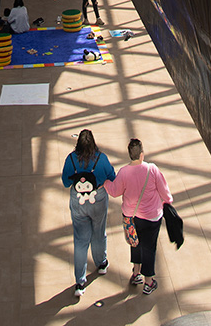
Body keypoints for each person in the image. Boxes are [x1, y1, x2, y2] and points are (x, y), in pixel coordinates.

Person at [105, 138, 173, 294]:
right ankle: (148, 282)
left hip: (131, 217)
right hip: (152, 217)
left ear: (130, 154)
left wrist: (106, 183)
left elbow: (115, 191)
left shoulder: (123, 172)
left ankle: (136, 273)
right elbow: (164, 191)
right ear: (142, 154)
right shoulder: (152, 169)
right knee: (149, 247)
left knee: (135, 242)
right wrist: (168, 202)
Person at [61, 128, 115, 299]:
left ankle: (80, 282)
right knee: (99, 233)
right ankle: (101, 263)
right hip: (98, 199)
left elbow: (64, 182)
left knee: (80, 240)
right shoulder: (102, 159)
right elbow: (112, 176)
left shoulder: (71, 160)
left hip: (78, 201)